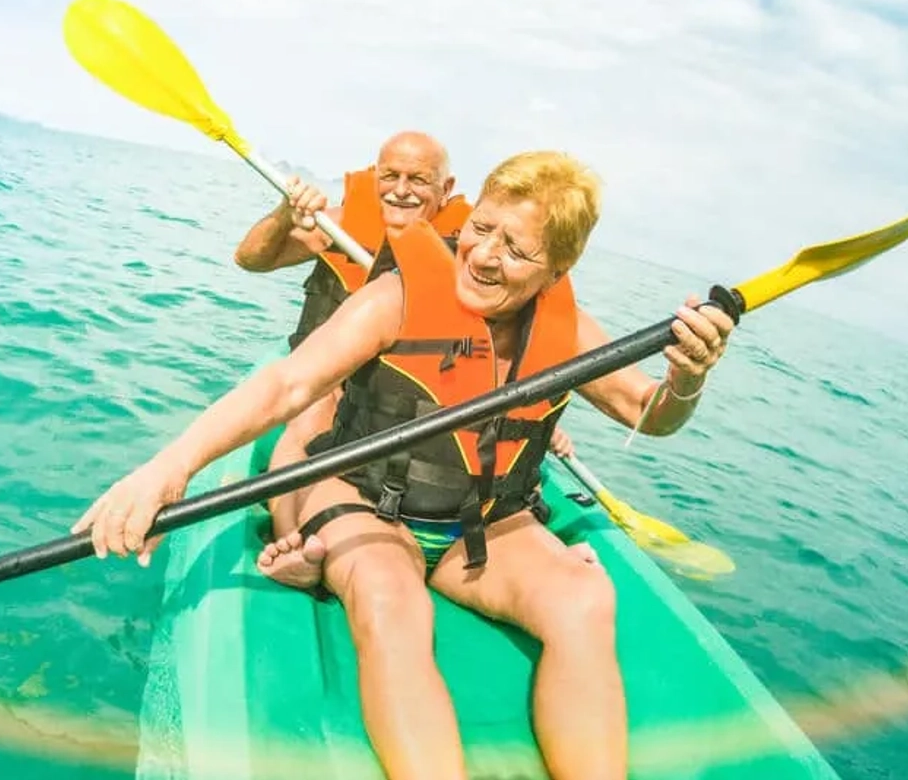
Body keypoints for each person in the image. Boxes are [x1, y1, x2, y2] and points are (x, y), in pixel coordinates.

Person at [74, 150, 736, 780]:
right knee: (392, 600)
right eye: (481, 228)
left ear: (557, 270)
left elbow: (648, 415)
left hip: (481, 526)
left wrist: (686, 381)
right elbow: (287, 387)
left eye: (516, 249)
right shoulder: (397, 295)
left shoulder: (567, 326)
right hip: (368, 502)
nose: (483, 254)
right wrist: (169, 467)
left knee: (585, 598)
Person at [231, 131, 573, 548]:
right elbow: (250, 259)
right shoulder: (336, 224)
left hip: (401, 397)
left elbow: (493, 350)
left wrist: (534, 419)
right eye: (390, 176)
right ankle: (289, 539)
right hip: (327, 378)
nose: (401, 191)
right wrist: (286, 215)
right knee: (312, 413)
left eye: (418, 180)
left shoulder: (470, 252)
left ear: (445, 189)